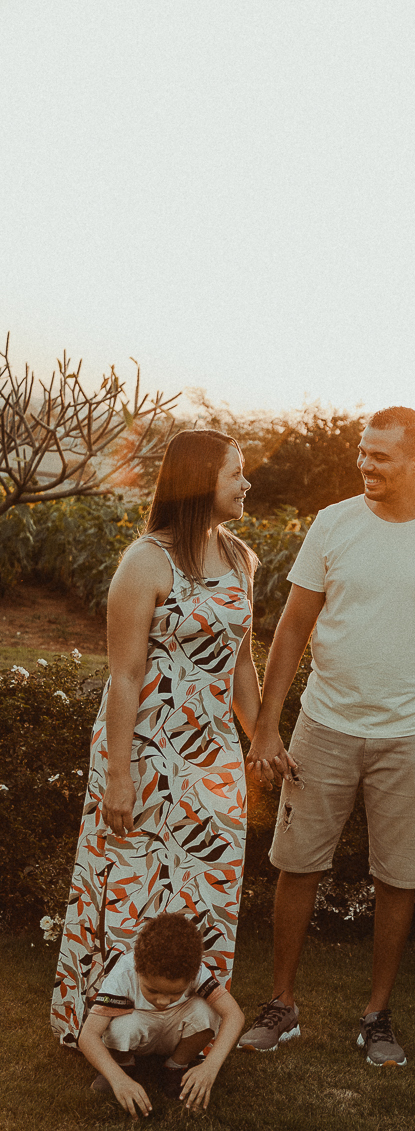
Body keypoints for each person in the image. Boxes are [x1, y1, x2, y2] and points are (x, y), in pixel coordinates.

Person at [238, 406, 415, 1066]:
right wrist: (267, 725)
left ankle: (377, 1016)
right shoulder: (333, 523)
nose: (365, 464)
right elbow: (291, 627)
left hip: (413, 735)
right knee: (296, 865)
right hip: (324, 725)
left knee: (399, 878)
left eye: (380, 455)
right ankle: (282, 1004)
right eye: (363, 452)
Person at [51, 429, 261, 1048]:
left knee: (207, 884)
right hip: (140, 751)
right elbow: (125, 673)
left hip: (212, 756)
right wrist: (120, 774)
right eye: (235, 474)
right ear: (202, 483)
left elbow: (241, 664)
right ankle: (114, 1032)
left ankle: (188, 1034)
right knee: (132, 886)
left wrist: (265, 740)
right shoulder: (146, 560)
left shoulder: (243, 559)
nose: (246, 484)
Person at [79, 912, 245, 1116]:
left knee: (208, 1010)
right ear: (138, 970)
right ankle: (123, 1066)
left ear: (192, 975)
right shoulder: (124, 973)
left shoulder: (196, 970)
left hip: (175, 1029)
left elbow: (234, 1015)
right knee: (117, 1026)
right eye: (153, 990)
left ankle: (175, 1067)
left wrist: (210, 1067)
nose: (163, 1001)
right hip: (136, 1026)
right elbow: (88, 1036)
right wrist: (117, 1079)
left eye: (175, 993)